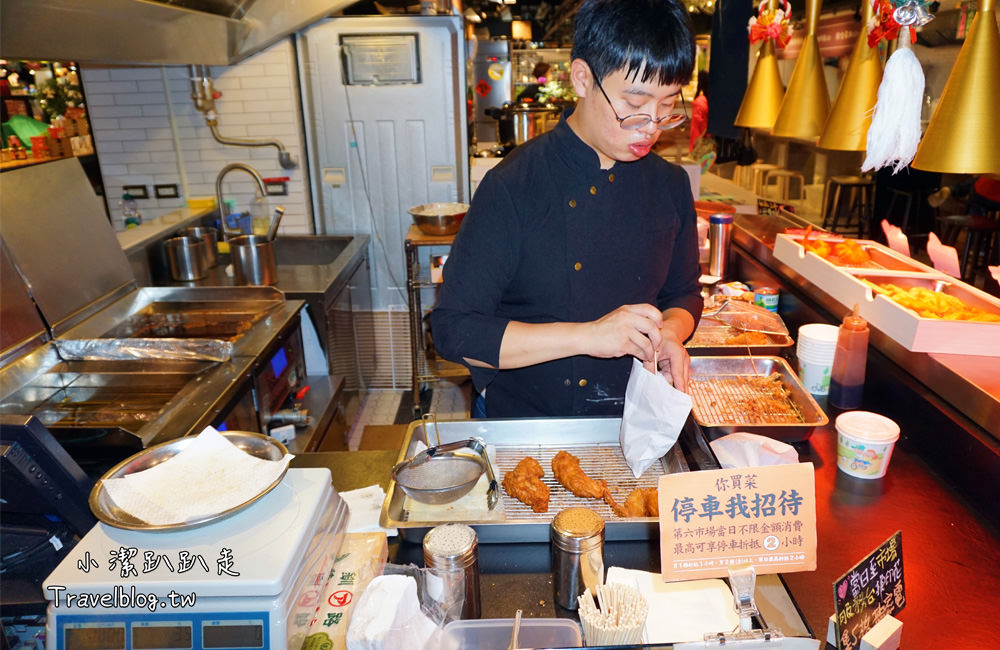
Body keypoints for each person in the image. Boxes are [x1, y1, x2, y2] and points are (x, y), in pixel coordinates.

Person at [431, 0, 703, 419]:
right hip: (528, 423)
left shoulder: (670, 185)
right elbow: (454, 330)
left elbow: (683, 292)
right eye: (634, 104)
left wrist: (669, 334)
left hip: (633, 416)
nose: (650, 125)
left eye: (667, 106)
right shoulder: (514, 185)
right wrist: (588, 336)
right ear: (582, 78)